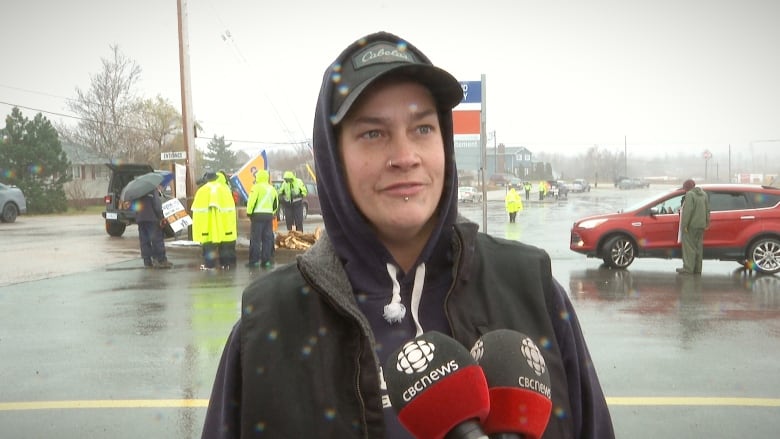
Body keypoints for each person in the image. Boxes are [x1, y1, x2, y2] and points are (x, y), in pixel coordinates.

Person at [201, 31, 614, 438]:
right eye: (373, 133)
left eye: (422, 129)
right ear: (333, 158)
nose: (405, 157)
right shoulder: (270, 324)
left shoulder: (532, 290)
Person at [191, 171, 238, 270]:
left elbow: (197, 212)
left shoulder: (201, 191)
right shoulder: (225, 190)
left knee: (209, 247)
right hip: (225, 225)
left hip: (207, 226)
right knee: (225, 247)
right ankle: (226, 265)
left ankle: (210, 265)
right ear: (216, 178)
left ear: (207, 179)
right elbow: (231, 209)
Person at [244, 169, 278, 268]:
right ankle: (266, 261)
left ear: (258, 177)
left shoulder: (256, 187)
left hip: (257, 216)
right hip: (268, 216)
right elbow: (276, 204)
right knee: (267, 239)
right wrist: (272, 212)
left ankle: (254, 261)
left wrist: (249, 213)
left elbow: (251, 201)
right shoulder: (272, 189)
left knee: (256, 239)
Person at [133, 185, 172, 269]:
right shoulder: (152, 191)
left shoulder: (137, 193)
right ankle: (161, 260)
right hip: (152, 219)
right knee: (156, 240)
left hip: (141, 220)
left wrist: (138, 216)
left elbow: (134, 207)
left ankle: (147, 261)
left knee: (144, 241)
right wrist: (161, 216)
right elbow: (157, 206)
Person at [677, 179, 710, 275]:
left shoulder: (690, 195)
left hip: (691, 225)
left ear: (686, 187)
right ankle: (697, 269)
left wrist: (684, 225)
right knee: (698, 247)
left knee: (689, 248)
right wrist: (707, 222)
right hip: (701, 225)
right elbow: (708, 209)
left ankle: (688, 268)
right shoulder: (704, 194)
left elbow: (688, 211)